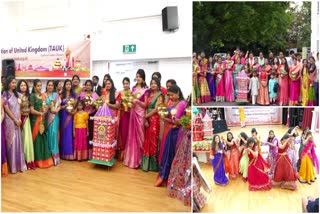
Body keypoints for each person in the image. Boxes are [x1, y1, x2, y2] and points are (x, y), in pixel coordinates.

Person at [155, 84, 186, 187]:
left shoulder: (182, 104)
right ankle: (166, 177)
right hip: (169, 130)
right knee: (166, 154)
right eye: (169, 95)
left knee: (171, 155)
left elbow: (177, 121)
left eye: (172, 95)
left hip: (176, 132)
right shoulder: (172, 103)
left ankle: (169, 179)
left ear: (178, 93)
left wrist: (165, 119)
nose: (170, 97)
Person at [167, 96, 191, 206]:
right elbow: (180, 120)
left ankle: (188, 189)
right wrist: (182, 122)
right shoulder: (185, 105)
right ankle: (179, 187)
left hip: (190, 136)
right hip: (185, 135)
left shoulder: (186, 105)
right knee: (182, 161)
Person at [123, 69, 148, 169]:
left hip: (141, 114)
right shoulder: (133, 88)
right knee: (132, 136)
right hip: (133, 113)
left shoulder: (146, 89)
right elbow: (130, 101)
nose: (138, 78)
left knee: (141, 137)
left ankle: (141, 161)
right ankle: (132, 160)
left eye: (140, 77)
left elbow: (145, 105)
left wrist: (137, 101)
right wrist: (130, 102)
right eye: (137, 76)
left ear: (143, 78)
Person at [2, 76, 27, 173]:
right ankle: (12, 167)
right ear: (8, 83)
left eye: (15, 83)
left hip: (17, 120)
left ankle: (19, 165)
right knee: (11, 142)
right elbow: (6, 109)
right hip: (9, 121)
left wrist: (19, 119)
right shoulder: (5, 94)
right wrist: (15, 119)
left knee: (18, 141)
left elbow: (19, 108)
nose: (14, 84)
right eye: (12, 82)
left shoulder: (18, 95)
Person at [30, 79, 53, 168]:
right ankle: (37, 161)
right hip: (35, 120)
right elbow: (31, 110)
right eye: (38, 86)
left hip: (43, 120)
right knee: (37, 141)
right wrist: (40, 113)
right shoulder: (32, 96)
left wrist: (48, 107)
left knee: (43, 140)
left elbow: (45, 107)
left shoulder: (43, 96)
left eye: (40, 86)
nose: (40, 87)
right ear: (35, 87)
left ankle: (44, 160)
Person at [141, 78, 163, 172]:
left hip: (154, 119)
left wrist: (146, 117)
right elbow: (146, 106)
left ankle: (153, 166)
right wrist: (145, 118)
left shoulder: (160, 95)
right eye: (151, 83)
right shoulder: (149, 94)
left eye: (155, 83)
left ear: (158, 85)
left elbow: (156, 109)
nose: (153, 85)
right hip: (148, 118)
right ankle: (146, 165)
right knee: (147, 140)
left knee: (153, 140)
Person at [17, 79, 35, 169]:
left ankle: (28, 161)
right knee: (20, 139)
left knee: (27, 138)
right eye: (21, 85)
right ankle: (20, 161)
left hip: (27, 119)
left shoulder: (29, 96)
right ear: (19, 87)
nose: (23, 87)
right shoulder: (16, 96)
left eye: (25, 85)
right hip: (18, 119)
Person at [79, 80, 99, 159]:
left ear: (92, 86)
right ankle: (84, 154)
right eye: (86, 85)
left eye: (89, 85)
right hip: (83, 115)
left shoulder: (95, 94)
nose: (88, 86)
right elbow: (79, 104)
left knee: (90, 133)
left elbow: (98, 105)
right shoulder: (82, 94)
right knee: (83, 133)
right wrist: (84, 102)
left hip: (92, 115)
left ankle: (90, 154)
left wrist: (93, 103)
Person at [45, 80, 61, 166]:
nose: (50, 87)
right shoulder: (43, 96)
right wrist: (49, 107)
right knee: (47, 135)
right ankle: (48, 157)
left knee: (54, 135)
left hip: (55, 117)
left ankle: (55, 158)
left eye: (51, 85)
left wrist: (56, 110)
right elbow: (43, 106)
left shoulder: (56, 95)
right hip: (46, 117)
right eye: (49, 85)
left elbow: (59, 106)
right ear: (46, 86)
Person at [60, 79, 77, 160]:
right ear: (64, 85)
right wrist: (65, 106)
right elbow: (59, 106)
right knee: (63, 133)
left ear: (71, 85)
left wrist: (73, 111)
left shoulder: (74, 95)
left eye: (69, 84)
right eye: (66, 84)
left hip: (70, 116)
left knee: (69, 133)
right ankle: (63, 153)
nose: (68, 86)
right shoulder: (61, 95)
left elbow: (77, 105)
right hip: (63, 115)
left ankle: (69, 153)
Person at [117, 77, 131, 160]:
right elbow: (118, 103)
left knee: (128, 132)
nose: (125, 85)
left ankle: (127, 153)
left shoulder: (131, 92)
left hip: (129, 114)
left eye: (127, 83)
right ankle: (121, 152)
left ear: (129, 84)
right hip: (122, 114)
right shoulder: (120, 92)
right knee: (122, 132)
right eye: (124, 83)